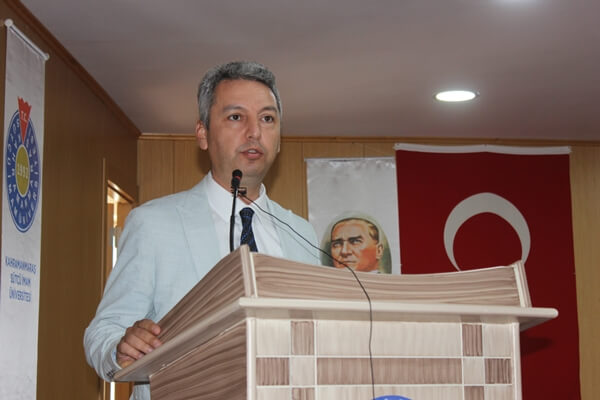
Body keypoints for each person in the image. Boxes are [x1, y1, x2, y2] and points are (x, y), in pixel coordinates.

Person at [84, 61, 320, 399]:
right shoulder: (153, 224)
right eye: (236, 117)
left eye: (267, 119)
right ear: (203, 134)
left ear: (279, 139)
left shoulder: (303, 234)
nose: (254, 132)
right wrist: (120, 347)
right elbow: (103, 332)